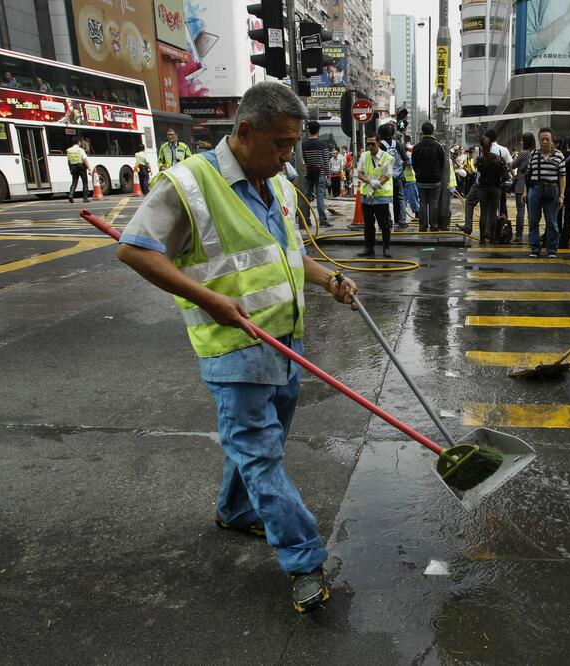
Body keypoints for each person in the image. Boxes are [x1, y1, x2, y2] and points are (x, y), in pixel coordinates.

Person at [115, 82, 357, 614]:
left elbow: (286, 258)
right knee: (262, 456)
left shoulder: (282, 187)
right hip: (233, 350)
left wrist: (327, 279)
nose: (288, 156)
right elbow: (134, 250)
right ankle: (303, 557)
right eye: (280, 144)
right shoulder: (189, 183)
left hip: (285, 346)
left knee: (257, 453)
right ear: (244, 132)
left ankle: (233, 511)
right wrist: (213, 301)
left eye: (293, 145)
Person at [525, 127, 566, 258]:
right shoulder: (534, 154)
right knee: (533, 221)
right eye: (542, 139)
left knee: (552, 221)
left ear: (552, 141)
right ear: (539, 140)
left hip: (552, 190)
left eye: (547, 139)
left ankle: (552, 249)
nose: (544, 142)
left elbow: (562, 176)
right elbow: (528, 175)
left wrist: (561, 196)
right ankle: (535, 249)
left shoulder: (559, 155)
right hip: (534, 189)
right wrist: (526, 193)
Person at [356, 132, 395, 257]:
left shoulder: (387, 157)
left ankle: (386, 248)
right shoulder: (364, 156)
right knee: (368, 224)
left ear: (378, 143)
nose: (370, 146)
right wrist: (370, 182)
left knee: (384, 224)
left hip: (381, 197)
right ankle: (369, 248)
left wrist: (377, 184)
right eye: (368, 144)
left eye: (372, 143)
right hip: (367, 196)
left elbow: (387, 175)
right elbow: (360, 173)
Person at [412, 122, 447, 232]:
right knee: (434, 203)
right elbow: (442, 163)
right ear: (433, 131)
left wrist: (418, 172)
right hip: (435, 180)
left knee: (422, 203)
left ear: (422, 132)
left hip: (421, 179)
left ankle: (422, 227)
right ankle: (434, 226)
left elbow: (414, 163)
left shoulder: (417, 147)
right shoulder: (438, 146)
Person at [378, 122, 412, 229]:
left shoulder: (379, 145)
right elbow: (406, 159)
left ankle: (387, 220)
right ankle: (401, 221)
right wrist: (400, 170)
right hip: (397, 176)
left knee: (384, 199)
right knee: (400, 198)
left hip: (384, 177)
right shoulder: (397, 144)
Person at [475, 136, 508, 244]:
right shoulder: (498, 159)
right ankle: (493, 238)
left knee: (483, 213)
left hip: (483, 188)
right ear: (491, 146)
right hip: (495, 188)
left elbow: (478, 172)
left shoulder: (480, 159)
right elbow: (505, 175)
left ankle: (482, 238)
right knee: (493, 213)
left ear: (481, 146)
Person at [301, 120, 332, 228]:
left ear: (309, 130)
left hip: (309, 174)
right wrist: (328, 176)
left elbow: (304, 160)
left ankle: (306, 220)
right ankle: (323, 220)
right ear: (318, 131)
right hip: (321, 174)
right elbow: (325, 161)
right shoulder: (322, 144)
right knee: (320, 198)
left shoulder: (304, 145)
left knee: (306, 197)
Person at [511, 133, 536, 242]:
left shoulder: (523, 153)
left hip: (521, 185)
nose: (521, 142)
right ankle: (532, 235)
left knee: (520, 211)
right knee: (532, 212)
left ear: (526, 142)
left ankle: (519, 236)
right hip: (532, 185)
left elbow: (513, 165)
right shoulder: (536, 153)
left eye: (522, 140)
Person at [66, 135, 91, 203]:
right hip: (81, 168)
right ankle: (85, 198)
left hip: (73, 168)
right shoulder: (80, 150)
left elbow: (68, 161)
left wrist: (70, 169)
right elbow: (85, 160)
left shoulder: (69, 150)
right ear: (78, 142)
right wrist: (89, 169)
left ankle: (71, 194)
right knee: (85, 183)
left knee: (74, 182)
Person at [404, 145, 420, 221]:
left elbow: (410, 163)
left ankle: (418, 215)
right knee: (403, 200)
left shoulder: (408, 155)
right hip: (405, 181)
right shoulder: (404, 155)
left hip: (411, 181)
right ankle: (402, 217)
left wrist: (403, 160)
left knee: (413, 199)